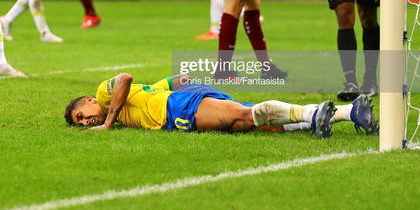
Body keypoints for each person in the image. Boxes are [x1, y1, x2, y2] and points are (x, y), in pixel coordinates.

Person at [64, 73, 379, 138]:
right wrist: (202, 86)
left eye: (82, 115)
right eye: (80, 124)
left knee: (244, 116)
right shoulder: (137, 103)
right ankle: (349, 112)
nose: (84, 122)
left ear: (90, 101)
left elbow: (124, 78)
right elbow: (175, 79)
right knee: (255, 124)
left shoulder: (104, 94)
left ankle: (312, 113)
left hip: (179, 108)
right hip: (179, 104)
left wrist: (109, 121)